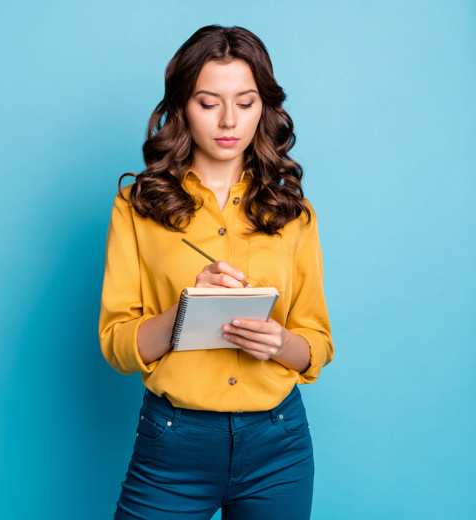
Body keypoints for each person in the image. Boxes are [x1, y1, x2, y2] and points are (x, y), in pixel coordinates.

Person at [98, 25, 334, 520]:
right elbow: (117, 345)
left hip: (280, 446)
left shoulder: (294, 213)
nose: (229, 120)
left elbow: (316, 342)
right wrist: (187, 310)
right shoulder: (136, 207)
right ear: (183, 106)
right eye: (208, 103)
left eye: (245, 103)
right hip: (174, 444)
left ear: (263, 108)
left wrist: (279, 343)